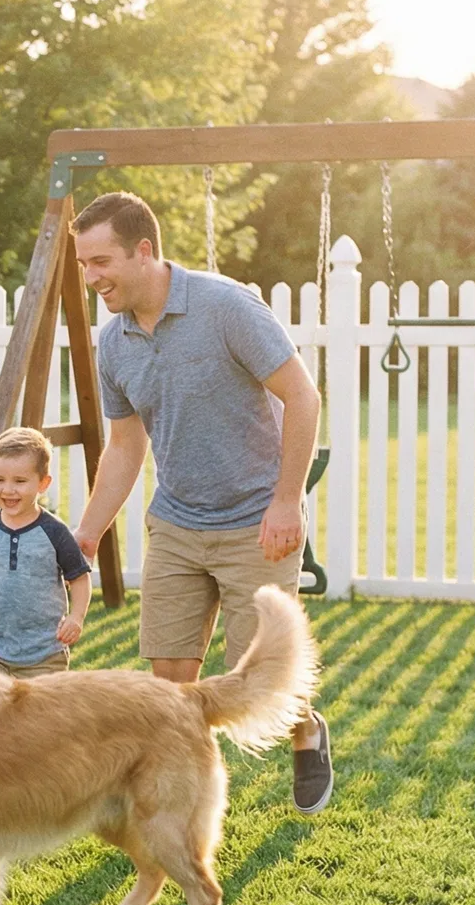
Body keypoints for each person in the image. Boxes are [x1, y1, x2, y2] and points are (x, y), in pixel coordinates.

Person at [68, 191, 335, 814]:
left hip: (256, 523)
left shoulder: (226, 307)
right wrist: (86, 532)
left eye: (100, 261)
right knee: (169, 691)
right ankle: (177, 811)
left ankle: (306, 731)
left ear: (143, 251)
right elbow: (126, 447)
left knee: (257, 685)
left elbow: (303, 397)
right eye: (83, 265)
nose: (91, 278)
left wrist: (286, 501)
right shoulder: (116, 343)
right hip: (179, 523)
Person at [0, 426, 92, 679]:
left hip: (45, 654)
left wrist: (76, 617)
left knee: (40, 718)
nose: (8, 490)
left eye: (20, 481)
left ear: (43, 483)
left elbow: (79, 577)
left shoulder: (54, 531)